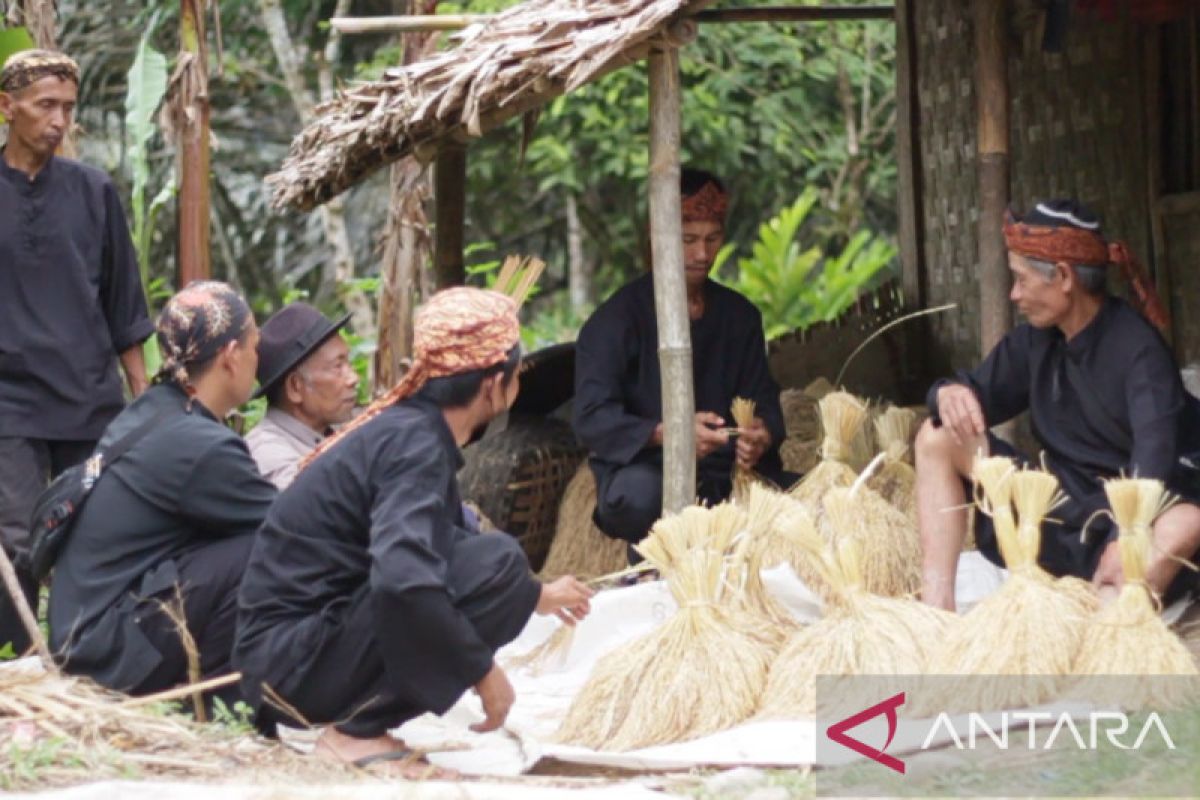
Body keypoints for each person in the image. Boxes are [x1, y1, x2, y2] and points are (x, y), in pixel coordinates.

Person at [234, 287, 593, 776]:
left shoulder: (413, 432)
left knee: (501, 568)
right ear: (493, 385)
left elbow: (443, 545)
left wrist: (538, 594)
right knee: (500, 565)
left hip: (290, 658)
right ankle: (356, 731)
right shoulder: (413, 444)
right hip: (293, 667)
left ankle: (357, 719)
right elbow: (403, 578)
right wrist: (481, 671)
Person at [915, 199, 1200, 610]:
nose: (1013, 295)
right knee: (937, 436)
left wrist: (1127, 534)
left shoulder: (1138, 351)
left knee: (1185, 523)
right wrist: (947, 393)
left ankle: (1109, 618)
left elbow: (1155, 460)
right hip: (1061, 508)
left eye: (1021, 280)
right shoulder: (1035, 341)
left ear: (1064, 277)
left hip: (1134, 515)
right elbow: (974, 391)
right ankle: (935, 610)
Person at [48, 282, 276, 702]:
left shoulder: (152, 410)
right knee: (262, 548)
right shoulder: (200, 446)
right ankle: (221, 706)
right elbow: (293, 526)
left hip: (82, 637)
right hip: (107, 656)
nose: (259, 361)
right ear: (230, 357)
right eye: (254, 347)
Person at [0, 49, 152, 654]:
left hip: (89, 397)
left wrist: (143, 396)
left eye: (67, 107)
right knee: (17, 535)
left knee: (92, 532)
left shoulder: (93, 191)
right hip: (9, 400)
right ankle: (19, 662)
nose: (59, 120)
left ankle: (87, 655)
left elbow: (124, 301)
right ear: (6, 108)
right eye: (45, 106)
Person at [573, 168, 788, 553]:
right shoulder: (615, 321)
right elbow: (592, 417)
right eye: (688, 240)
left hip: (729, 473)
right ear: (658, 238)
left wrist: (761, 434)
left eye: (712, 238)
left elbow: (765, 398)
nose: (702, 254)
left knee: (810, 500)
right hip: (649, 469)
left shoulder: (741, 316)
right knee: (637, 499)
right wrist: (670, 434)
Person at [246, 302, 357, 489]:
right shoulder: (270, 456)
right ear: (295, 387)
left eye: (348, 363)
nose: (353, 378)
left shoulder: (330, 434)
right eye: (338, 367)